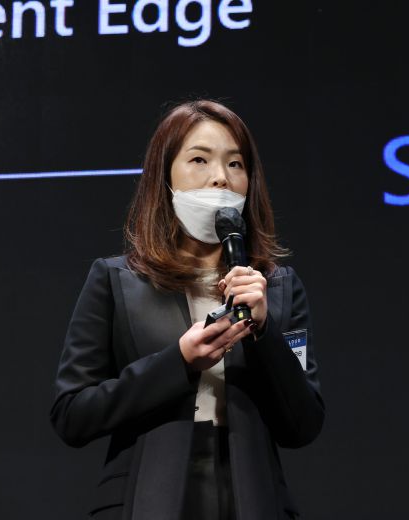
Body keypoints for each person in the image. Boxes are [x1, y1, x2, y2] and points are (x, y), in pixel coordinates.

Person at [50, 100, 324, 520]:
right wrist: (178, 362)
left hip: (253, 498)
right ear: (164, 176)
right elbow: (72, 415)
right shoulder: (116, 280)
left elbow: (302, 425)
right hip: (143, 498)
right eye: (199, 159)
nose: (220, 177)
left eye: (235, 164)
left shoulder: (278, 288)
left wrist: (264, 331)